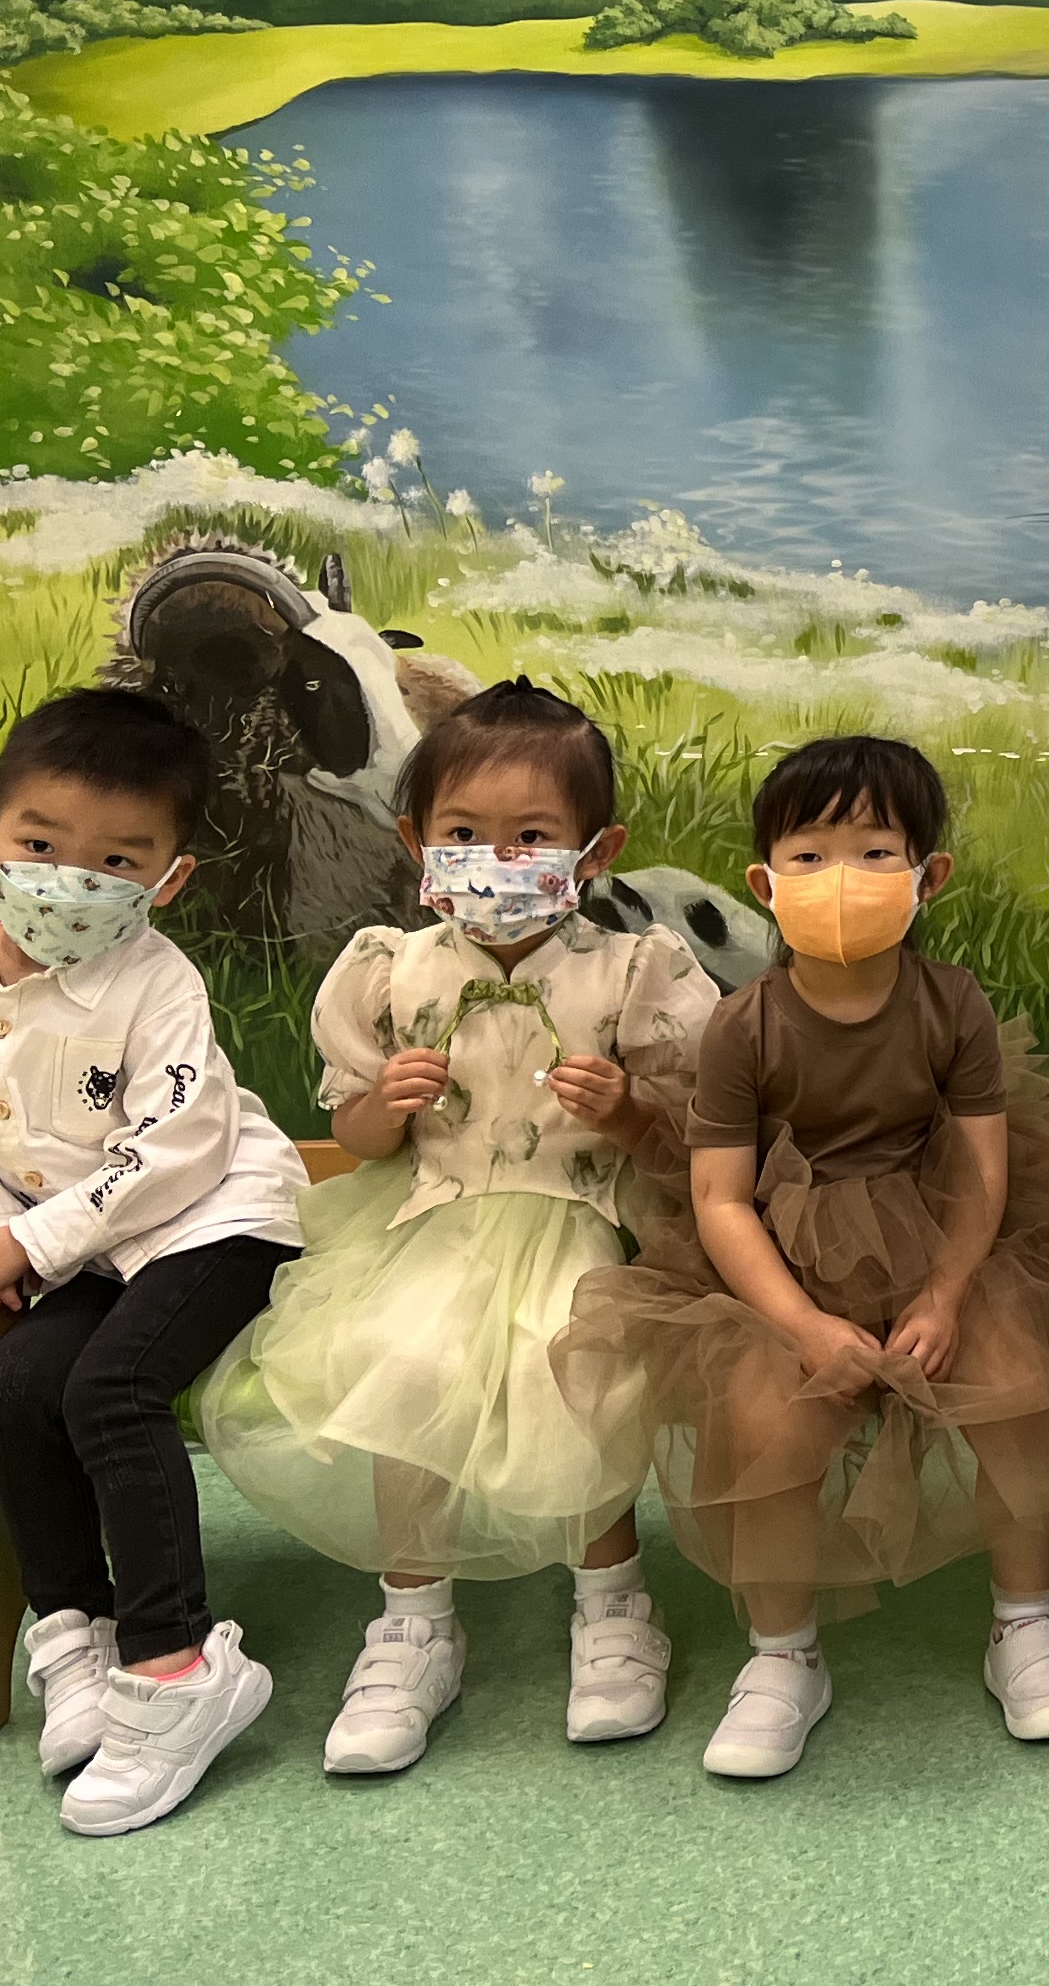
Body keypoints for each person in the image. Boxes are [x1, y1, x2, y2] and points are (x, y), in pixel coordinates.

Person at [552, 737, 1049, 1781]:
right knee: (762, 1418)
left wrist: (946, 1291)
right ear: (764, 884)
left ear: (928, 877)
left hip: (945, 1237)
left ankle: (1026, 1622)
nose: (840, 878)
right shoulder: (744, 1027)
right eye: (809, 856)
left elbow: (984, 1170)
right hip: (780, 1260)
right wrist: (801, 1323)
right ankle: (783, 1654)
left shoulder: (951, 1003)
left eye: (875, 852)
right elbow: (719, 1199)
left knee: (1017, 1382)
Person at [196, 682, 722, 1774]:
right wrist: (384, 1106)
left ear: (595, 851)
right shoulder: (393, 970)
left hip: (584, 1215)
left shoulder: (633, 973)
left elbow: (684, 1140)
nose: (497, 859)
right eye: (466, 836)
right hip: (436, 1217)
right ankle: (413, 1623)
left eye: (531, 837)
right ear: (417, 843)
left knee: (577, 1366)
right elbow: (358, 1136)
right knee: (409, 1361)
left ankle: (614, 1602)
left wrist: (626, 1110)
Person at [0, 687, 307, 1835]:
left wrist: (29, 1241)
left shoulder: (156, 980)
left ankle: (178, 1670)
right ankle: (76, 1632)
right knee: (17, 1388)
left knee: (110, 1388)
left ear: (170, 878)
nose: (70, 879)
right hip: (77, 1244)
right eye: (41, 845)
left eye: (117, 860)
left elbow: (179, 1148)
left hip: (214, 1219)